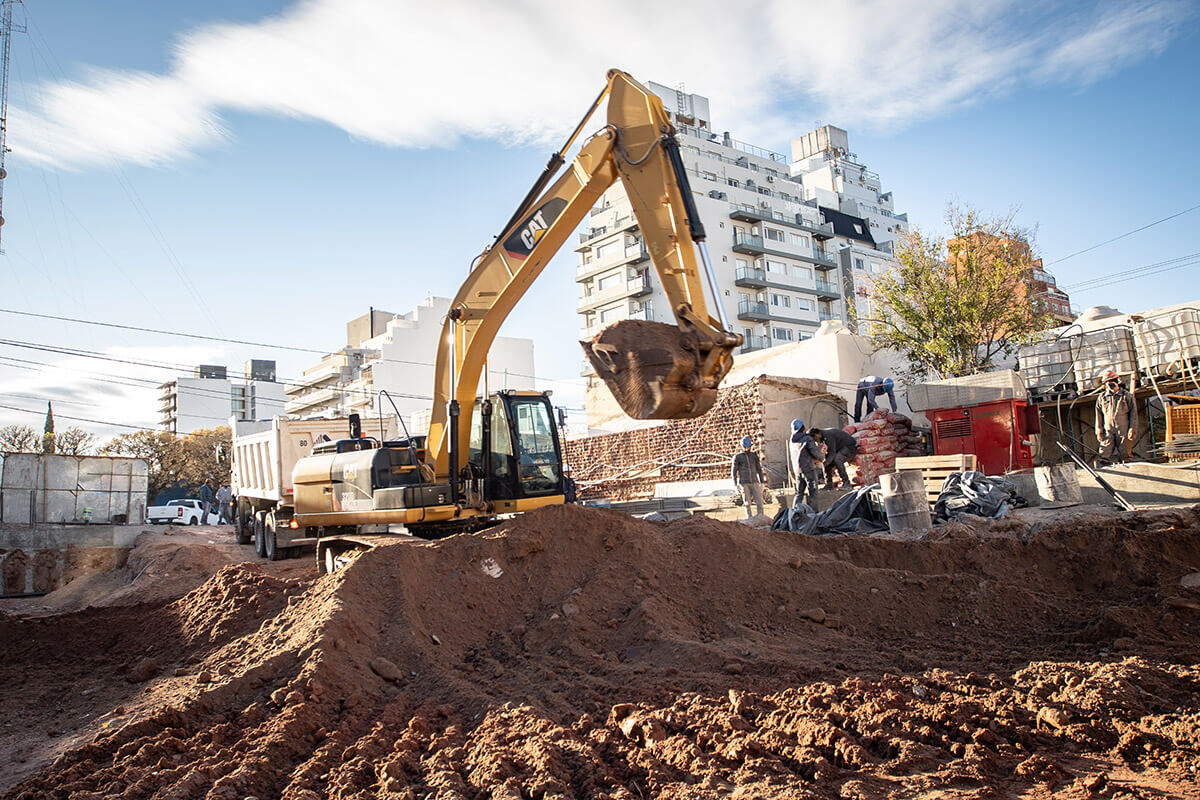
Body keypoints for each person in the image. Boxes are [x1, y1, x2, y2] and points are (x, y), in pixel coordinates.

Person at [1095, 369, 1138, 465]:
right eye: (1107, 382)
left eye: (1112, 381)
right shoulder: (1102, 398)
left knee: (1125, 454)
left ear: (1117, 381)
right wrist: (1099, 431)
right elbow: (1098, 415)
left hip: (1123, 430)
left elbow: (1133, 414)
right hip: (1108, 430)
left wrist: (1132, 429)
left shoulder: (1126, 396)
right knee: (1104, 453)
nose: (1109, 384)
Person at [789, 420, 825, 511]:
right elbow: (814, 451)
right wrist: (822, 458)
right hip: (808, 469)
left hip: (797, 470)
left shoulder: (791, 440)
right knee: (813, 492)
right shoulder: (807, 438)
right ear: (803, 428)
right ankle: (813, 514)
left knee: (799, 493)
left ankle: (794, 512)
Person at [731, 436, 766, 518]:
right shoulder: (738, 457)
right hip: (744, 483)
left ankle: (760, 516)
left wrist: (762, 482)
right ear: (742, 447)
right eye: (746, 447)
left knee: (759, 501)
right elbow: (734, 472)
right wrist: (735, 485)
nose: (748, 448)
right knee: (747, 503)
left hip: (754, 481)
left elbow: (759, 469)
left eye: (749, 446)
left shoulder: (753, 456)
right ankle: (749, 517)